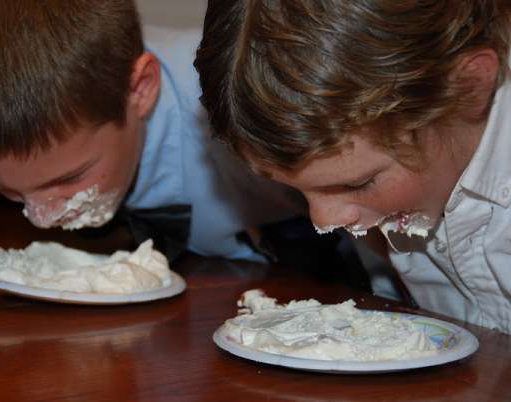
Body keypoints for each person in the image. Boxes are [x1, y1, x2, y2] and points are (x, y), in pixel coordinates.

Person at [0, 0, 321, 266]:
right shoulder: (76, 125)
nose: (41, 217)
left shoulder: (250, 105)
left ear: (141, 89)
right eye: (11, 193)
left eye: (70, 179)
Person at [194, 0, 511, 333]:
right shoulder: (394, 172)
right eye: (293, 189)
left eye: (358, 183)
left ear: (468, 87)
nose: (323, 221)